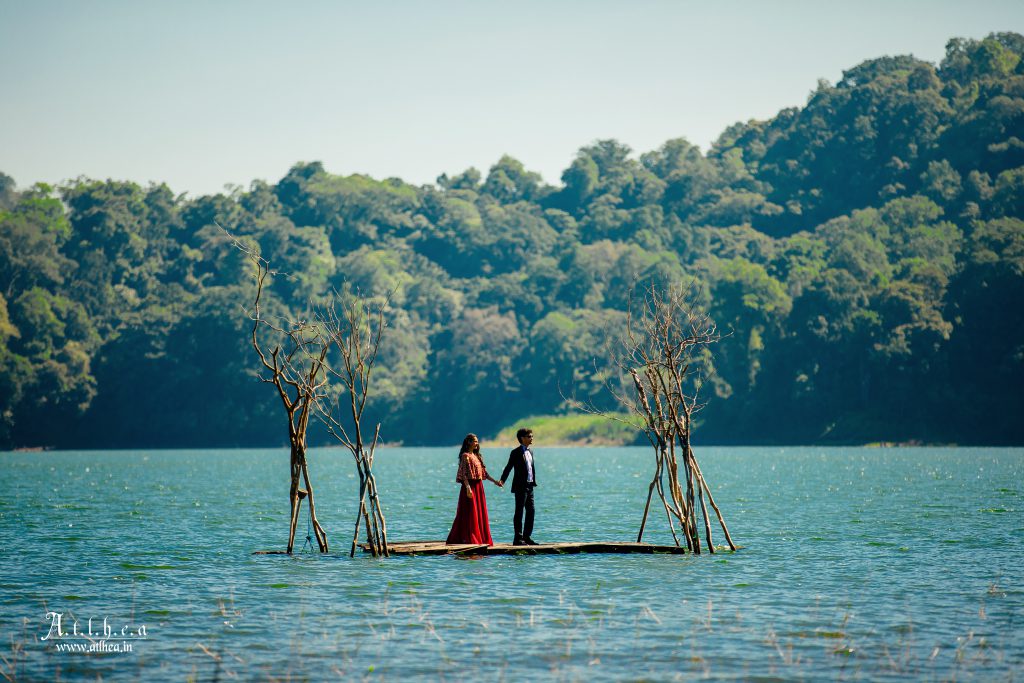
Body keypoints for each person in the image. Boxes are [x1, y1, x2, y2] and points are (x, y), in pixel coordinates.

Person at [446, 433, 502, 545]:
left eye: (477, 441)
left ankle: (480, 537)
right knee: (469, 512)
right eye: (475, 441)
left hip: (479, 487)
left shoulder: (477, 456)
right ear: (469, 442)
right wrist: (468, 488)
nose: (477, 443)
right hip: (470, 487)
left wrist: (495, 481)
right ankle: (467, 538)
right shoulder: (465, 456)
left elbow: (484, 473)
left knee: (479, 513)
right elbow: (463, 475)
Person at [498, 427, 539, 546]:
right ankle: (518, 538)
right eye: (529, 436)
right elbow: (509, 467)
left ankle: (527, 537)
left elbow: (531, 469)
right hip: (520, 486)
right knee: (519, 512)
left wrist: (533, 482)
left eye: (532, 436)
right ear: (522, 438)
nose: (531, 438)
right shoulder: (515, 452)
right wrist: (502, 480)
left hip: (530, 486)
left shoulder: (530, 451)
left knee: (531, 511)